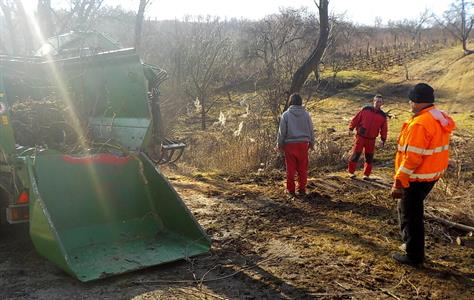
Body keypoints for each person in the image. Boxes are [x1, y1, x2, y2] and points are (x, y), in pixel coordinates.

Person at [391, 83, 455, 266]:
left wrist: (399, 182)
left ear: (419, 102)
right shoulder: (438, 117)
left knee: (410, 215)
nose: (409, 104)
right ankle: (410, 245)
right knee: (410, 212)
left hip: (416, 177)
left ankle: (414, 256)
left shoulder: (420, 124)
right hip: (431, 175)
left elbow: (412, 158)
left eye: (411, 100)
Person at [277, 93, 315, 197]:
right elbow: (311, 129)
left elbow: (282, 132)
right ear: (300, 102)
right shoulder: (306, 114)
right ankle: (301, 188)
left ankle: (291, 190)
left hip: (290, 145)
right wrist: (312, 142)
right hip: (303, 144)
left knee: (291, 168)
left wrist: (279, 144)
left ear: (290, 102)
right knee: (302, 168)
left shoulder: (286, 115)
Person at [347, 94, 388, 179]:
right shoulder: (365, 109)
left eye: (380, 102)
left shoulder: (382, 116)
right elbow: (356, 119)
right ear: (374, 101)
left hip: (372, 139)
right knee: (356, 154)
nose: (378, 103)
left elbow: (384, 129)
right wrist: (351, 128)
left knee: (369, 157)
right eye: (376, 101)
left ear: (382, 103)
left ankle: (366, 175)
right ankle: (351, 172)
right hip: (360, 136)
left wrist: (383, 139)